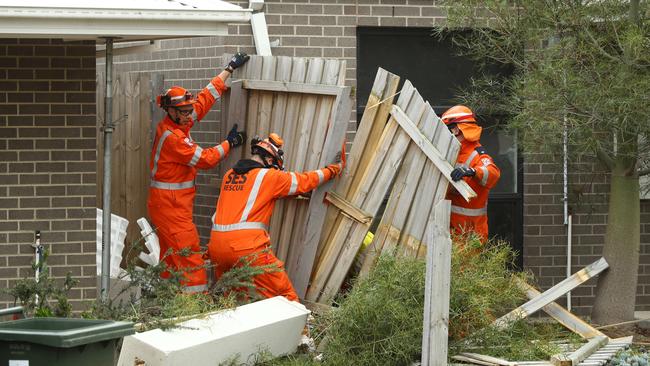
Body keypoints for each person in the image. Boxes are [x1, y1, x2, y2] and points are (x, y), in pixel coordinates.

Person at [147, 52, 250, 293]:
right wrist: (229, 143)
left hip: (169, 206)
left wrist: (229, 69)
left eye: (188, 110)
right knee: (190, 256)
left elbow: (204, 99)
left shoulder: (177, 123)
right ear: (170, 112)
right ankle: (197, 305)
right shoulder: (173, 138)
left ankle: (170, 299)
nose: (188, 114)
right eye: (183, 111)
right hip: (171, 208)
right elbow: (204, 159)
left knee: (172, 258)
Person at [207, 133, 344, 301]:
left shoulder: (229, 175)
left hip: (216, 247)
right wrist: (332, 170)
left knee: (233, 298)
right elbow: (304, 181)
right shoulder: (270, 176)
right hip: (246, 248)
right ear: (270, 161)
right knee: (284, 295)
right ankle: (301, 328)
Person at [442, 105, 501, 243]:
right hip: (449, 229)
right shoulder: (451, 153)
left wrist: (473, 171)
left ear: (456, 129)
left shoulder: (478, 155)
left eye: (447, 129)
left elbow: (493, 173)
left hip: (470, 234)